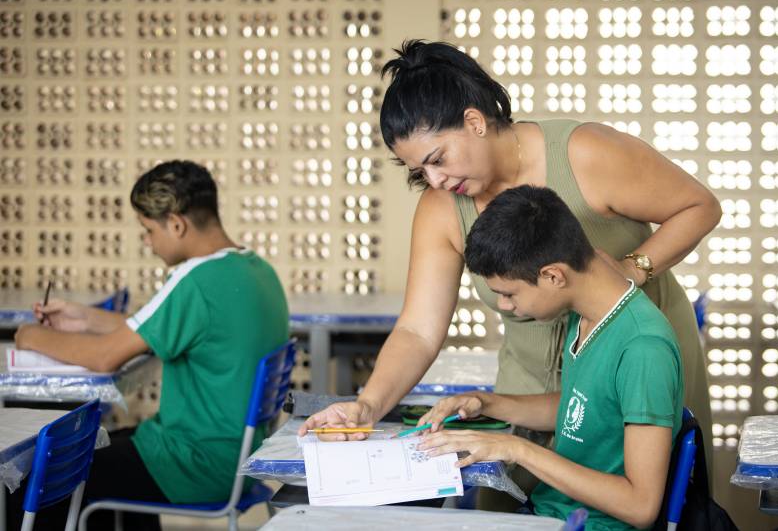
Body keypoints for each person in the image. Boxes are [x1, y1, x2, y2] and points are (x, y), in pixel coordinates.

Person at [300, 39, 719, 500]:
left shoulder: (586, 154)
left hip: (636, 374)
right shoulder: (442, 206)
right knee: (508, 502)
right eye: (419, 172)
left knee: (650, 503)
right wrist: (367, 406)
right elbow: (418, 329)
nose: (435, 181)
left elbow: (699, 206)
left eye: (437, 159)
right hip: (531, 390)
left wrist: (627, 275)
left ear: (474, 122)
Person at [10, 160, 289, 530]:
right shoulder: (255, 270)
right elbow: (157, 329)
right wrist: (83, 318)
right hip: (241, 459)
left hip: (193, 462)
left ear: (176, 224)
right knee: (101, 448)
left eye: (148, 230)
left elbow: (105, 357)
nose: (147, 242)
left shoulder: (195, 279)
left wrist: (30, 335)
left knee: (39, 477)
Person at [417, 185, 683, 529]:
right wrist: (486, 402)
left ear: (553, 276)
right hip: (552, 513)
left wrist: (517, 448)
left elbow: (640, 506)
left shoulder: (643, 349)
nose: (504, 306)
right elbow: (584, 408)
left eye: (509, 293)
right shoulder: (587, 313)